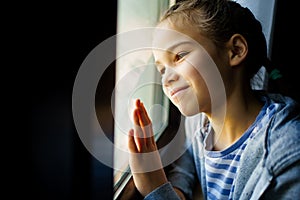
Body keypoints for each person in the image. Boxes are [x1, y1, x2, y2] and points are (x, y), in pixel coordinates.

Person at [127, 0, 300, 199]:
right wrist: (178, 191)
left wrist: (155, 189)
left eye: (180, 56)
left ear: (235, 50)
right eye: (162, 69)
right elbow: (189, 157)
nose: (166, 79)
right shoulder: (198, 123)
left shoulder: (286, 158)